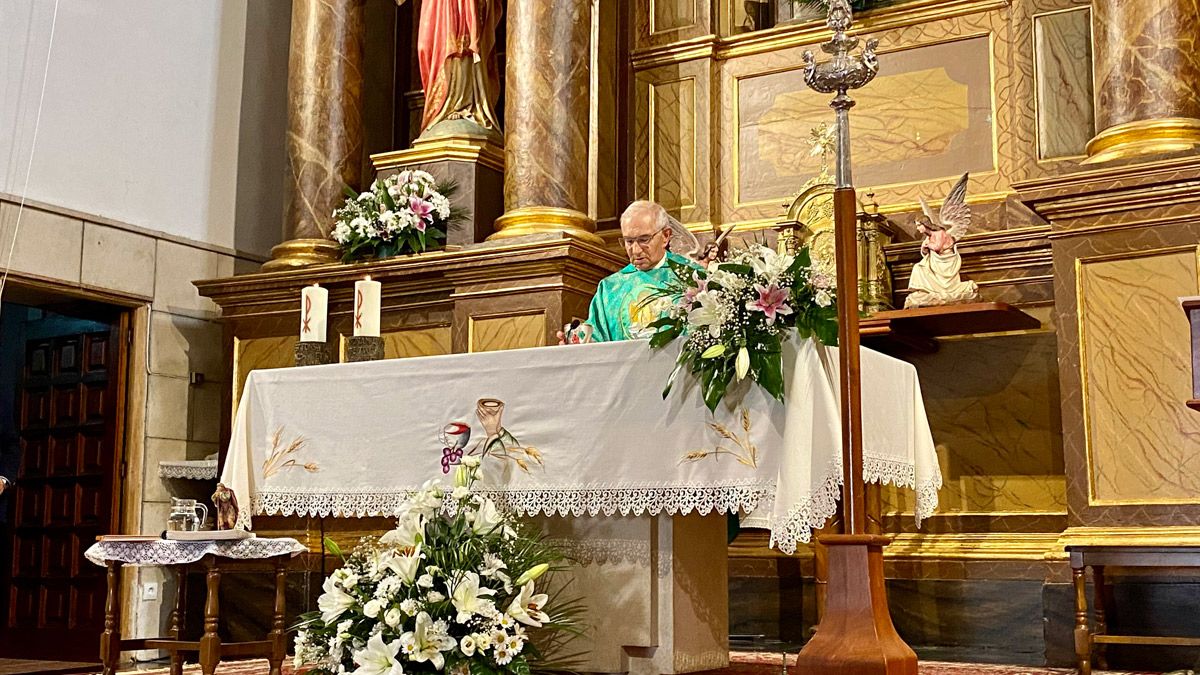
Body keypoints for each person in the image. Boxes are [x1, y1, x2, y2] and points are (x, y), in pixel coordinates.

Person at [570, 201, 698, 343]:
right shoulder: (610, 289)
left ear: (666, 236)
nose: (636, 250)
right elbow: (594, 343)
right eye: (629, 242)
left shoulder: (694, 278)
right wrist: (574, 341)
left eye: (644, 239)